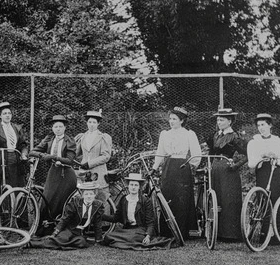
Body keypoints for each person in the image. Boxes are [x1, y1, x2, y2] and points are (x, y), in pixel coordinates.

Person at [150, 107, 201, 241]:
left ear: (182, 120)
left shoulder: (189, 134)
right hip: (168, 167)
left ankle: (181, 232)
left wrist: (192, 166)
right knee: (167, 197)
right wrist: (154, 167)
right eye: (170, 118)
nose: (171, 121)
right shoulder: (165, 134)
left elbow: (196, 154)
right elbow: (160, 152)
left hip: (183, 167)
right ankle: (167, 231)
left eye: (174, 119)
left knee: (181, 200)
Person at [101, 173, 176, 250]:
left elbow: (150, 222)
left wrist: (148, 236)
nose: (133, 187)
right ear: (128, 186)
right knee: (108, 236)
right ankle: (128, 241)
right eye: (131, 185)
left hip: (141, 230)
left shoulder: (145, 201)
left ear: (139, 187)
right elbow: (116, 218)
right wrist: (101, 216)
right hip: (128, 230)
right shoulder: (124, 200)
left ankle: (126, 241)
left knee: (133, 237)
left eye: (136, 185)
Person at [205, 108, 247, 242]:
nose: (219, 122)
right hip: (215, 169)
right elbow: (211, 152)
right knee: (216, 199)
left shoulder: (234, 136)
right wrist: (208, 166)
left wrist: (235, 165)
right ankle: (217, 232)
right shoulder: (216, 135)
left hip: (228, 172)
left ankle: (230, 234)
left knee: (228, 201)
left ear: (230, 121)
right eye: (218, 120)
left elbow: (247, 155)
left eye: (222, 120)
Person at [246, 113, 280, 238]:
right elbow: (251, 163)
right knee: (265, 201)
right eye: (258, 125)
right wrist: (262, 156)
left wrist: (275, 157)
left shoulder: (278, 141)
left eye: (263, 125)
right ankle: (266, 234)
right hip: (263, 173)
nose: (261, 128)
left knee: (279, 200)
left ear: (270, 125)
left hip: (277, 173)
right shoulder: (254, 142)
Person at [29, 115, 77, 230]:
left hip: (66, 174)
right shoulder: (49, 139)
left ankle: (61, 228)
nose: (58, 129)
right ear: (52, 128)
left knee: (62, 201)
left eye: (61, 126)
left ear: (65, 128)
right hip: (53, 172)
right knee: (47, 199)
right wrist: (44, 155)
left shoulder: (69, 141)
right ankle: (45, 228)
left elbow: (70, 160)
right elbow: (33, 151)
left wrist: (56, 158)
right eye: (56, 126)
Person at [28, 181, 104, 249]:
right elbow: (65, 219)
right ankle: (33, 244)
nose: (89, 196)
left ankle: (59, 243)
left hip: (80, 234)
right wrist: (56, 232)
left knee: (81, 243)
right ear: (82, 195)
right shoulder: (75, 202)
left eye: (91, 194)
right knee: (62, 238)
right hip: (70, 229)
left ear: (95, 195)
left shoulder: (98, 205)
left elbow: (98, 223)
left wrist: (98, 240)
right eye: (86, 194)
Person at [74, 109, 112, 203]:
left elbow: (106, 156)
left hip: (98, 173)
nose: (91, 124)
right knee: (83, 197)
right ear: (86, 123)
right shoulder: (82, 137)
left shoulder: (103, 137)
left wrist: (89, 163)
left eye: (94, 122)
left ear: (98, 124)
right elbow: (76, 153)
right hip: (84, 173)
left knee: (100, 199)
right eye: (89, 122)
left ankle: (102, 217)